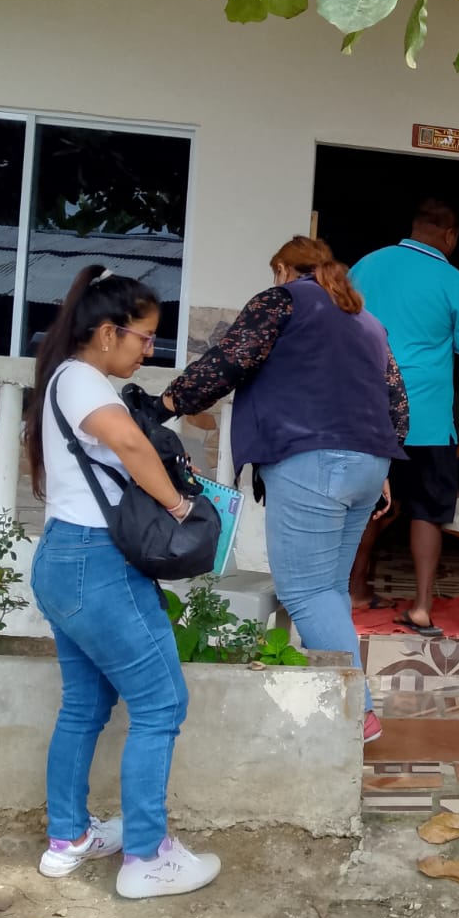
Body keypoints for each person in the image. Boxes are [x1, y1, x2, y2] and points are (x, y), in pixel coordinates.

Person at [157, 236, 408, 741]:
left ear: (282, 269)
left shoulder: (282, 300)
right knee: (329, 589)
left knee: (305, 591)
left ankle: (355, 714)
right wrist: (378, 463)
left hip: (311, 458)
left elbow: (229, 361)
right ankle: (343, 707)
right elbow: (397, 402)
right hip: (370, 461)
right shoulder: (365, 320)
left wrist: (167, 403)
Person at [25, 265, 221, 898]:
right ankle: (147, 857)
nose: (149, 351)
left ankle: (68, 838)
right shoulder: (84, 380)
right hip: (98, 564)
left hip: (64, 559)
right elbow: (132, 448)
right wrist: (180, 506)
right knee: (162, 704)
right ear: (108, 332)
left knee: (85, 705)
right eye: (144, 337)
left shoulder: (65, 378)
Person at [348, 199, 459, 635]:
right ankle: (422, 607)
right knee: (427, 511)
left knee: (370, 506)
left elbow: (339, 330)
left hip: (370, 416)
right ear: (450, 235)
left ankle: (356, 591)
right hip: (426, 421)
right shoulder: (454, 281)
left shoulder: (366, 265)